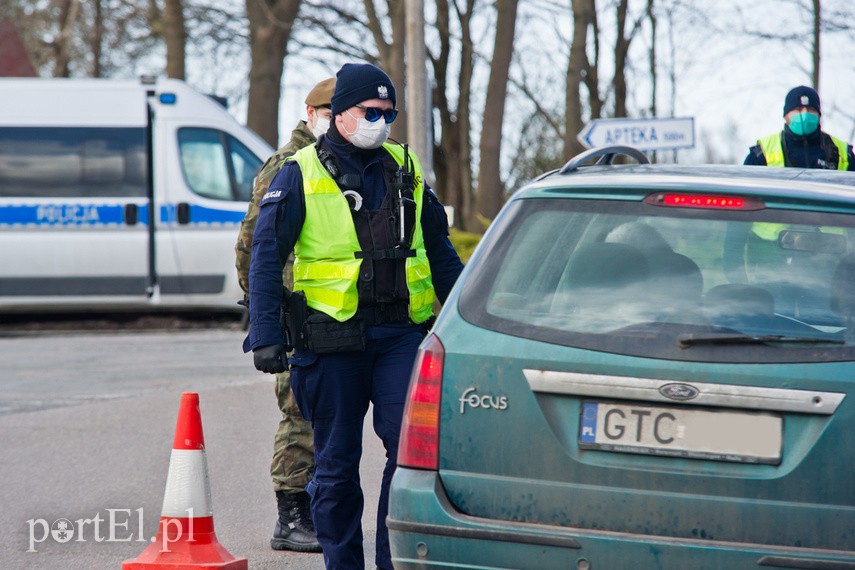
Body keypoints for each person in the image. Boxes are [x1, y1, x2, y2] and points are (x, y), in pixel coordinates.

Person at [244, 62, 463, 570]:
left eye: (388, 113)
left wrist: (462, 318)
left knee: (406, 455)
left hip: (399, 337)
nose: (381, 121)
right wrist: (265, 333)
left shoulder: (405, 167)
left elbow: (441, 250)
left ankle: (391, 560)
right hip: (329, 341)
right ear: (341, 114)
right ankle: (343, 563)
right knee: (337, 465)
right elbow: (266, 255)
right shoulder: (299, 171)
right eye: (371, 111)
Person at [234, 77, 336, 554]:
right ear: (312, 113)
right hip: (295, 313)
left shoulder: (333, 161)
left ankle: (316, 511)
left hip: (331, 312)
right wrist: (264, 313)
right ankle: (291, 517)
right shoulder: (288, 165)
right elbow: (253, 246)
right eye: (333, 113)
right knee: (300, 415)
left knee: (324, 416)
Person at [744, 85, 855, 170]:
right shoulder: (761, 153)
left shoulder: (844, 154)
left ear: (819, 115)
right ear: (786, 116)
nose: (805, 114)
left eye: (811, 110)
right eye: (798, 109)